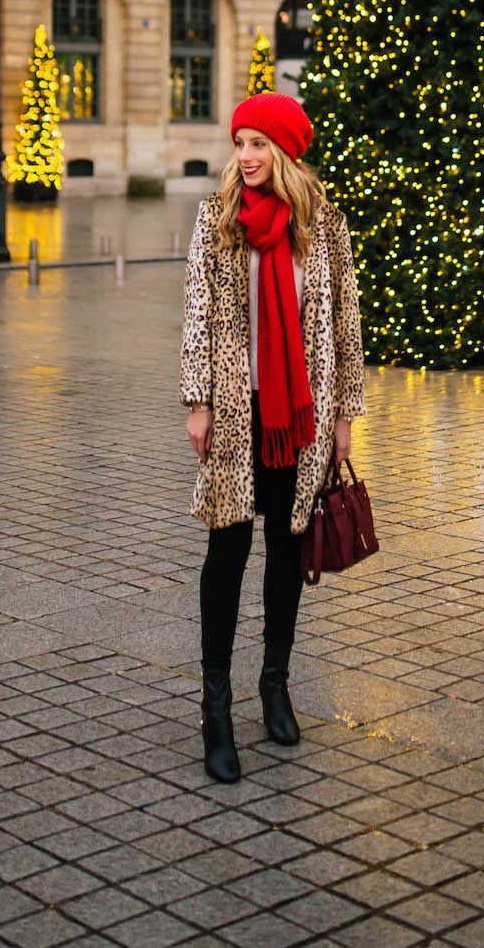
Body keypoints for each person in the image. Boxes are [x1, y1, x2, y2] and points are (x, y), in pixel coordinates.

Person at [180, 91, 366, 783]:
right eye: (240, 143)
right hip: (236, 410)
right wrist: (196, 401)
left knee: (288, 547)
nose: (247, 157)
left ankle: (275, 681)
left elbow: (346, 323)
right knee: (226, 550)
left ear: (286, 151)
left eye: (260, 144)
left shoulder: (324, 223)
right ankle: (216, 705)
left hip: (303, 416)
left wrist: (346, 414)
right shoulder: (218, 219)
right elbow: (197, 313)